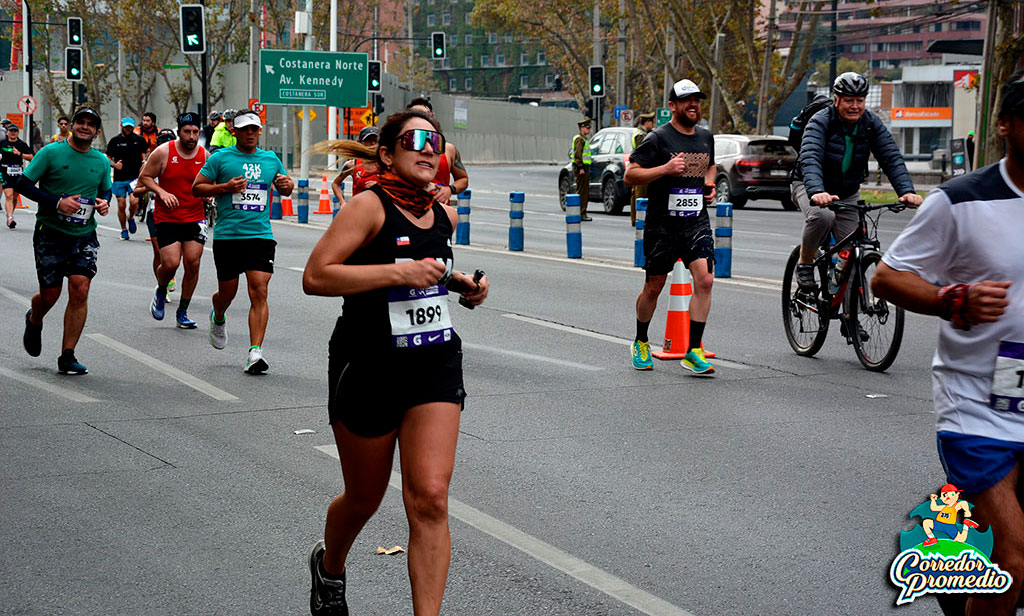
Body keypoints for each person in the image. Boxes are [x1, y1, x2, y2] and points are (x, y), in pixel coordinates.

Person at [302, 108, 489, 616]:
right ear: (387, 154)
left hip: (433, 363)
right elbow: (316, 276)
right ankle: (331, 565)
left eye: (436, 141)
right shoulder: (368, 207)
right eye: (415, 140)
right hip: (367, 365)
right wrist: (396, 272)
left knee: (429, 497)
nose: (429, 148)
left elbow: (430, 272)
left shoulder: (442, 214)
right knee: (364, 498)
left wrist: (462, 287)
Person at [871, 72, 1024, 615]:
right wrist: (953, 299)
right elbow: (886, 278)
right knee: (1011, 555)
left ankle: (941, 548)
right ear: (1004, 124)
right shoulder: (960, 201)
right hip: (976, 401)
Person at [792, 72, 921, 294]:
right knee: (822, 216)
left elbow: (890, 157)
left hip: (846, 191)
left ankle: (853, 319)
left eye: (859, 101)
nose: (855, 106)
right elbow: (810, 157)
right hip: (809, 185)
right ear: (836, 100)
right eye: (849, 100)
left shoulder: (871, 124)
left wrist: (907, 191)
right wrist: (816, 191)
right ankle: (804, 264)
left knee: (853, 253)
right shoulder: (820, 121)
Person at [624, 78, 717, 375]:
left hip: (696, 222)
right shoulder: (658, 139)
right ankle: (640, 340)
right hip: (662, 225)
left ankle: (693, 350)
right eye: (686, 100)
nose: (693, 105)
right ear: (672, 106)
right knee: (654, 286)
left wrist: (710, 182)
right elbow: (631, 175)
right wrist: (665, 168)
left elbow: (710, 165)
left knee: (705, 281)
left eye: (697, 100)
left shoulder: (705, 137)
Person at [192, 109, 293, 373]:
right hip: (228, 236)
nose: (250, 133)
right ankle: (219, 314)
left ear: (259, 132)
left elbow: (286, 186)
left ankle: (255, 353)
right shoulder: (221, 158)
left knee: (259, 289)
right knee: (228, 292)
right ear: (234, 131)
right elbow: (197, 187)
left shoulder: (270, 159)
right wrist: (225, 188)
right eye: (245, 129)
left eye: (254, 129)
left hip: (260, 235)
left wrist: (286, 186)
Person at [16, 106, 111, 374]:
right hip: (50, 233)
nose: (84, 127)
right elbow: (23, 184)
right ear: (71, 126)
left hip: (84, 235)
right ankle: (35, 318)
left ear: (97, 131)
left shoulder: (101, 161)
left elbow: (105, 190)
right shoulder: (51, 152)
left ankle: (67, 354)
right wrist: (57, 202)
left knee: (80, 287)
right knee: (50, 295)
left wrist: (105, 203)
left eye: (89, 124)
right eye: (79, 122)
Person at [139, 113, 209, 329]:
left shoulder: (204, 155)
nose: (191, 136)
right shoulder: (163, 152)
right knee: (170, 263)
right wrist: (161, 192)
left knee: (193, 263)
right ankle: (161, 289)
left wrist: (210, 193)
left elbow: (211, 180)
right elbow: (145, 177)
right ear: (179, 132)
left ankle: (183, 312)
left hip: (195, 216)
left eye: (195, 132)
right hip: (167, 217)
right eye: (187, 131)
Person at [404, 98, 469, 205]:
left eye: (425, 114)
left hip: (440, 212)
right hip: (408, 210)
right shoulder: (401, 148)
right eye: (415, 114)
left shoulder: (448, 149)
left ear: (432, 116)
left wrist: (450, 189)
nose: (422, 118)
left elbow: (463, 179)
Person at [106, 117, 149, 240]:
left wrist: (145, 161)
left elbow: (147, 151)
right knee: (121, 204)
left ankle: (131, 218)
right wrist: (114, 165)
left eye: (130, 127)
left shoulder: (139, 140)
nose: (128, 129)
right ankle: (124, 229)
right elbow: (108, 157)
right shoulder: (115, 141)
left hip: (134, 177)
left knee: (134, 202)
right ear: (121, 126)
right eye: (126, 127)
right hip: (120, 178)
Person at [328, 126, 380, 207]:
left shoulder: (386, 165)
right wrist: (342, 202)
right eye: (368, 140)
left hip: (380, 213)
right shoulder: (352, 165)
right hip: (358, 212)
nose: (372, 143)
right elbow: (335, 184)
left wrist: (378, 186)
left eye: (375, 140)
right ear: (360, 143)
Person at [1, 123, 34, 229]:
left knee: (15, 196)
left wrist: (20, 154)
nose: (13, 133)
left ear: (17, 133)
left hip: (18, 172)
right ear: (7, 132)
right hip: (5, 171)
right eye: (11, 131)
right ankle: (10, 218)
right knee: (9, 195)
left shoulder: (21, 144)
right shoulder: (2, 143)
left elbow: (32, 157)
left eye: (15, 131)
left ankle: (10, 214)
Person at [631, 112, 655, 226]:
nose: (653, 124)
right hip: (641, 167)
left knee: (636, 193)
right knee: (640, 194)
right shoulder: (641, 135)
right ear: (647, 122)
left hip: (638, 166)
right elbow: (643, 152)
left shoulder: (641, 133)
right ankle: (638, 219)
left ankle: (636, 218)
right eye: (652, 122)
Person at [570, 117, 593, 221]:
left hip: (584, 167)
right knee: (582, 192)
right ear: (582, 128)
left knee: (583, 191)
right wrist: (581, 168)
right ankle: (581, 213)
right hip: (581, 169)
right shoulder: (580, 139)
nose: (589, 130)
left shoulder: (583, 139)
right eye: (587, 128)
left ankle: (581, 212)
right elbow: (578, 155)